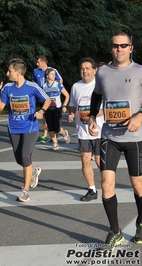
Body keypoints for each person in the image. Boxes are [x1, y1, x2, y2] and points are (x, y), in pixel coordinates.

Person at [88, 32, 142, 249]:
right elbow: (97, 95)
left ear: (131, 48)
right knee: (106, 184)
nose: (118, 49)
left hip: (135, 138)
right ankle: (115, 230)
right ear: (110, 48)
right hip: (109, 136)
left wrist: (140, 115)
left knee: (138, 184)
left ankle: (141, 221)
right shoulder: (102, 72)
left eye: (123, 45)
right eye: (114, 45)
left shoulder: (139, 71)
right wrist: (92, 116)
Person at [0, 59, 51, 202]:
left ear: (18, 72)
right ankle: (33, 171)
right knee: (19, 159)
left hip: (30, 127)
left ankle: (25, 190)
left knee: (25, 156)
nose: (7, 74)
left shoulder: (32, 87)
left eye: (10, 71)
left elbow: (47, 99)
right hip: (13, 128)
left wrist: (42, 111)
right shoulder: (7, 88)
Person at [68, 57, 103, 201]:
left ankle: (108, 183)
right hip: (83, 131)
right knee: (85, 159)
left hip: (99, 130)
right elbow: (73, 104)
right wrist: (71, 113)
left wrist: (92, 117)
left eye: (88, 68)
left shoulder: (100, 86)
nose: (85, 71)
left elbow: (105, 109)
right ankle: (92, 189)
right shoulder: (76, 86)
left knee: (100, 161)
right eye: (82, 68)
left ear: (95, 70)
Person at [32, 55, 63, 144]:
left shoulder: (52, 70)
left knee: (51, 117)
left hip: (52, 98)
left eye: (38, 62)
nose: (37, 63)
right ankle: (46, 135)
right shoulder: (35, 71)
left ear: (43, 62)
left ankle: (53, 132)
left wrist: (56, 90)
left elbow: (60, 80)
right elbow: (33, 82)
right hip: (41, 97)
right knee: (45, 116)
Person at [42, 68, 71, 150]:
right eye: (51, 74)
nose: (54, 76)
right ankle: (55, 143)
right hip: (48, 109)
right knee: (50, 128)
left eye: (54, 74)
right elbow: (42, 98)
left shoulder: (58, 85)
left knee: (57, 128)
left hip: (56, 108)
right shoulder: (44, 86)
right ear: (47, 76)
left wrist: (64, 105)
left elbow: (67, 96)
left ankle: (64, 133)